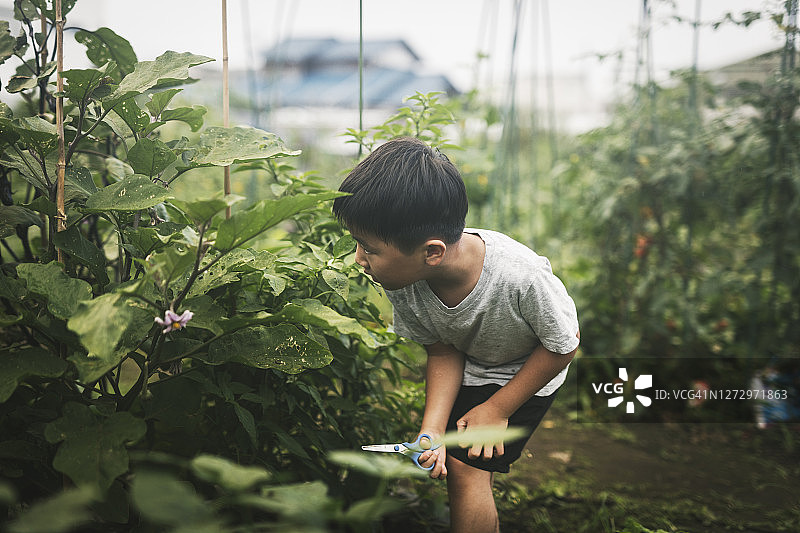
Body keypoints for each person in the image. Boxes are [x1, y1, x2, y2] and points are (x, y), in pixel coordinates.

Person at [332, 137, 579, 533]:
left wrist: (497, 409)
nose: (358, 259)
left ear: (432, 252)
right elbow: (443, 352)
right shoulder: (408, 278)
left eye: (368, 249)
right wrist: (432, 428)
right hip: (473, 363)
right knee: (465, 463)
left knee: (466, 470)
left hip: (529, 372)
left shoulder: (520, 277)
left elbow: (563, 346)